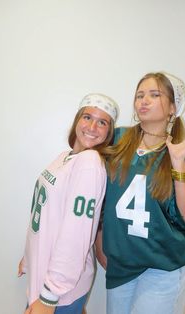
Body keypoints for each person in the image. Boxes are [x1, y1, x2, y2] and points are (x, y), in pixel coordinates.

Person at [95, 72, 185, 314]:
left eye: (154, 94)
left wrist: (177, 162)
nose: (143, 101)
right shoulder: (116, 141)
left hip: (162, 268)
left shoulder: (183, 154)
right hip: (120, 266)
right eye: (139, 95)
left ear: (173, 107)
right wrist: (99, 242)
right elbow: (98, 197)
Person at [18, 93, 119, 314]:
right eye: (87, 117)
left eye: (102, 122)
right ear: (77, 121)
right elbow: (44, 213)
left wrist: (49, 296)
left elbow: (76, 235)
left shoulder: (90, 163)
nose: (92, 126)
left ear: (108, 132)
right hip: (43, 276)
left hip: (57, 292)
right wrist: (29, 257)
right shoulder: (64, 157)